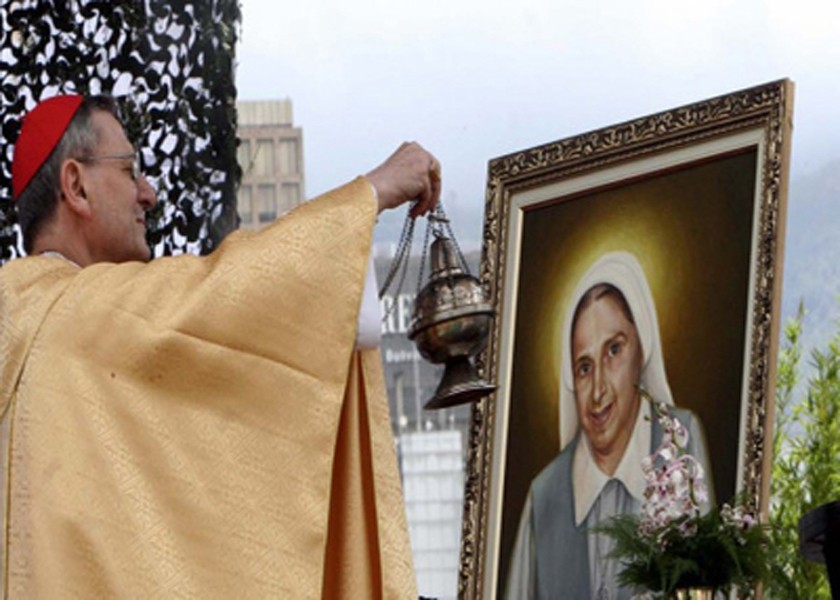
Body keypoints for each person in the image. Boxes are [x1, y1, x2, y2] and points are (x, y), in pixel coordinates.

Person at [0, 94, 441, 598]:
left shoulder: (29, 320)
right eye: (129, 171)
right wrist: (370, 195)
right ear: (76, 186)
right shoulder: (72, 318)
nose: (148, 194)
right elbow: (224, 297)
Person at [505, 251, 714, 600]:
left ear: (641, 350)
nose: (598, 390)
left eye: (614, 350)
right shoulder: (544, 496)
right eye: (584, 368)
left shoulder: (681, 443)